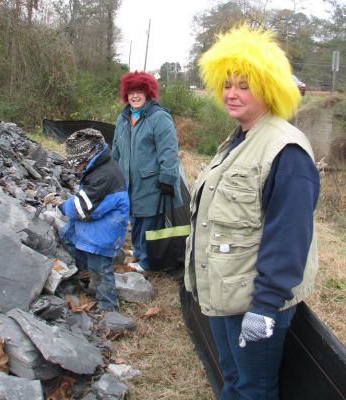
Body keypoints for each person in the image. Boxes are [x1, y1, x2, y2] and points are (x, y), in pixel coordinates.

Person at [184, 25, 320, 400]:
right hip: (227, 292)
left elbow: (290, 237)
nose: (231, 93)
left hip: (254, 303)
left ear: (269, 87)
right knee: (234, 380)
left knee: (255, 390)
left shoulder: (285, 150)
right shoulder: (240, 139)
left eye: (244, 85)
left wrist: (264, 307)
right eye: (227, 84)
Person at [112, 71, 182, 273]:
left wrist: (168, 178)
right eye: (131, 92)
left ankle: (147, 262)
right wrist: (113, 172)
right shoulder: (123, 118)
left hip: (151, 182)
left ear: (148, 93)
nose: (135, 96)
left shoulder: (159, 118)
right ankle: (140, 251)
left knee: (149, 221)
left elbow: (169, 150)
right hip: (129, 181)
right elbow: (116, 149)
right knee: (135, 217)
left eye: (139, 92)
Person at [52, 128, 129, 311]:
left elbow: (81, 208)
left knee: (101, 269)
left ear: (89, 156)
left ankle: (108, 307)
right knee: (68, 238)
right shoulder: (99, 166)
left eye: (78, 164)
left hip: (103, 232)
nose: (76, 168)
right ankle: (86, 276)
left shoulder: (103, 176)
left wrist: (62, 206)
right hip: (96, 225)